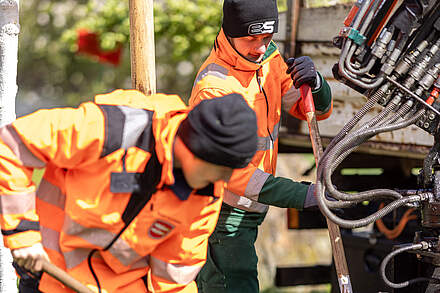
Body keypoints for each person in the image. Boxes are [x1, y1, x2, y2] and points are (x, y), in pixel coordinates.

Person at [0, 89, 258, 293]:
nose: (225, 180)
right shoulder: (112, 129)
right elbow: (11, 145)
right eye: (222, 170)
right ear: (195, 150)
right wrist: (23, 235)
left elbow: (174, 279)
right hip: (49, 273)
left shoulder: (205, 197)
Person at [189, 0, 333, 292]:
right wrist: (301, 195)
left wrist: (315, 84)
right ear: (229, 33)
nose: (259, 46)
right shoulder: (214, 88)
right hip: (221, 217)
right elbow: (232, 173)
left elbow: (313, 111)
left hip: (246, 211)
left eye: (266, 38)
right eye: (251, 39)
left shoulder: (268, 61)